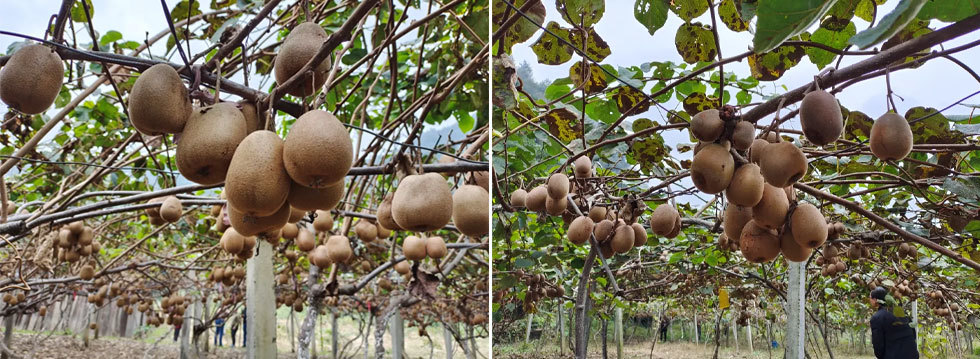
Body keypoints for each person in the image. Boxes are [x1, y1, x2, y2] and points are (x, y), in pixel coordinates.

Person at [869, 286, 919, 359]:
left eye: (870, 297)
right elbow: (913, 332)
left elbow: (878, 345)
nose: (869, 300)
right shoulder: (901, 311)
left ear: (875, 300)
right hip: (912, 355)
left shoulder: (877, 318)